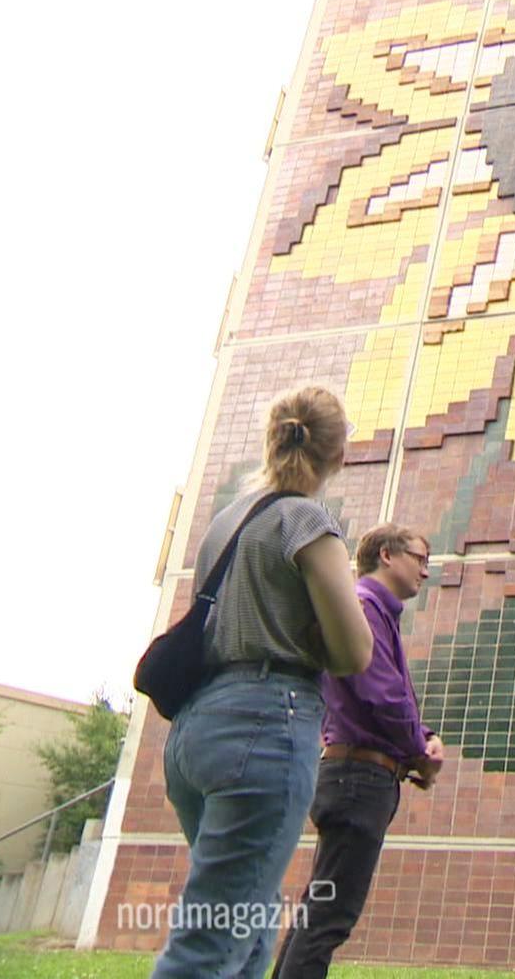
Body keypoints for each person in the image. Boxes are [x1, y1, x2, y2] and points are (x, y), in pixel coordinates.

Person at [152, 386, 374, 979]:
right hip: (266, 726)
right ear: (340, 452)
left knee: (247, 929)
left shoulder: (228, 521)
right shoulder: (306, 519)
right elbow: (355, 652)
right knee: (211, 943)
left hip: (196, 730)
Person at [274, 524, 445, 977]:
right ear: (387, 555)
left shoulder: (373, 612)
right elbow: (381, 695)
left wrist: (421, 736)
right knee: (329, 918)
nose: (426, 572)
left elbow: (387, 694)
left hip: (355, 776)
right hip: (359, 779)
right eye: (420, 558)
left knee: (319, 912)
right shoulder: (366, 608)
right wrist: (420, 751)